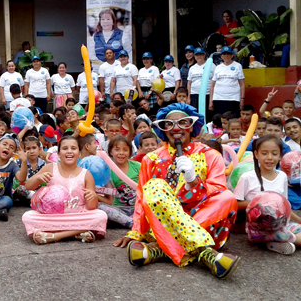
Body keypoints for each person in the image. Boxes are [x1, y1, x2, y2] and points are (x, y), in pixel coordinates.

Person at [113, 103, 240, 279]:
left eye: (183, 122)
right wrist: (136, 232)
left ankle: (158, 248)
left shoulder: (210, 154)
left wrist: (193, 181)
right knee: (154, 186)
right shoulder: (152, 159)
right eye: (170, 124)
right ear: (163, 129)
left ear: (191, 126)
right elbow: (142, 197)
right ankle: (205, 252)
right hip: (164, 220)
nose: (176, 128)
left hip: (201, 215)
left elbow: (217, 189)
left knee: (227, 197)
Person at [22, 136, 108, 244]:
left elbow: (91, 206)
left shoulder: (86, 174)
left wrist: (93, 196)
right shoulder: (50, 168)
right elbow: (28, 186)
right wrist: (38, 178)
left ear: (80, 153)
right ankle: (77, 232)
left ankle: (55, 235)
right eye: (65, 148)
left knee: (100, 216)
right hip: (53, 215)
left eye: (73, 148)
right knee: (28, 217)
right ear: (58, 153)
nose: (69, 151)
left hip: (77, 214)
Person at [234, 135, 301, 255]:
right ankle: (274, 239)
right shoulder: (247, 177)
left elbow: (285, 205)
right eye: (264, 153)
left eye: (274, 154)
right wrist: (259, 202)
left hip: (279, 224)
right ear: (256, 154)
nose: (269, 158)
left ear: (280, 155)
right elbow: (235, 205)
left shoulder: (282, 176)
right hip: (256, 228)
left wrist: (299, 220)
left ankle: (274, 243)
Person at [210, 46, 245, 116]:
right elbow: (212, 86)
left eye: (228, 54)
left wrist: (242, 99)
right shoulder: (218, 67)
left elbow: (242, 84)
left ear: (232, 55)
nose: (226, 56)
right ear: (221, 56)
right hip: (218, 98)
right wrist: (211, 101)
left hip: (233, 99)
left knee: (232, 120)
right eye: (224, 54)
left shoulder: (238, 66)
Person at [187, 47, 215, 119]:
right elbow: (189, 83)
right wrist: (188, 97)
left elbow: (214, 82)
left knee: (207, 115)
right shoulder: (192, 68)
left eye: (201, 54)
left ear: (204, 55)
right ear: (194, 56)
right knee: (195, 115)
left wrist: (211, 99)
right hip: (194, 94)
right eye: (197, 55)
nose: (199, 56)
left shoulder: (212, 66)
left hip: (207, 94)